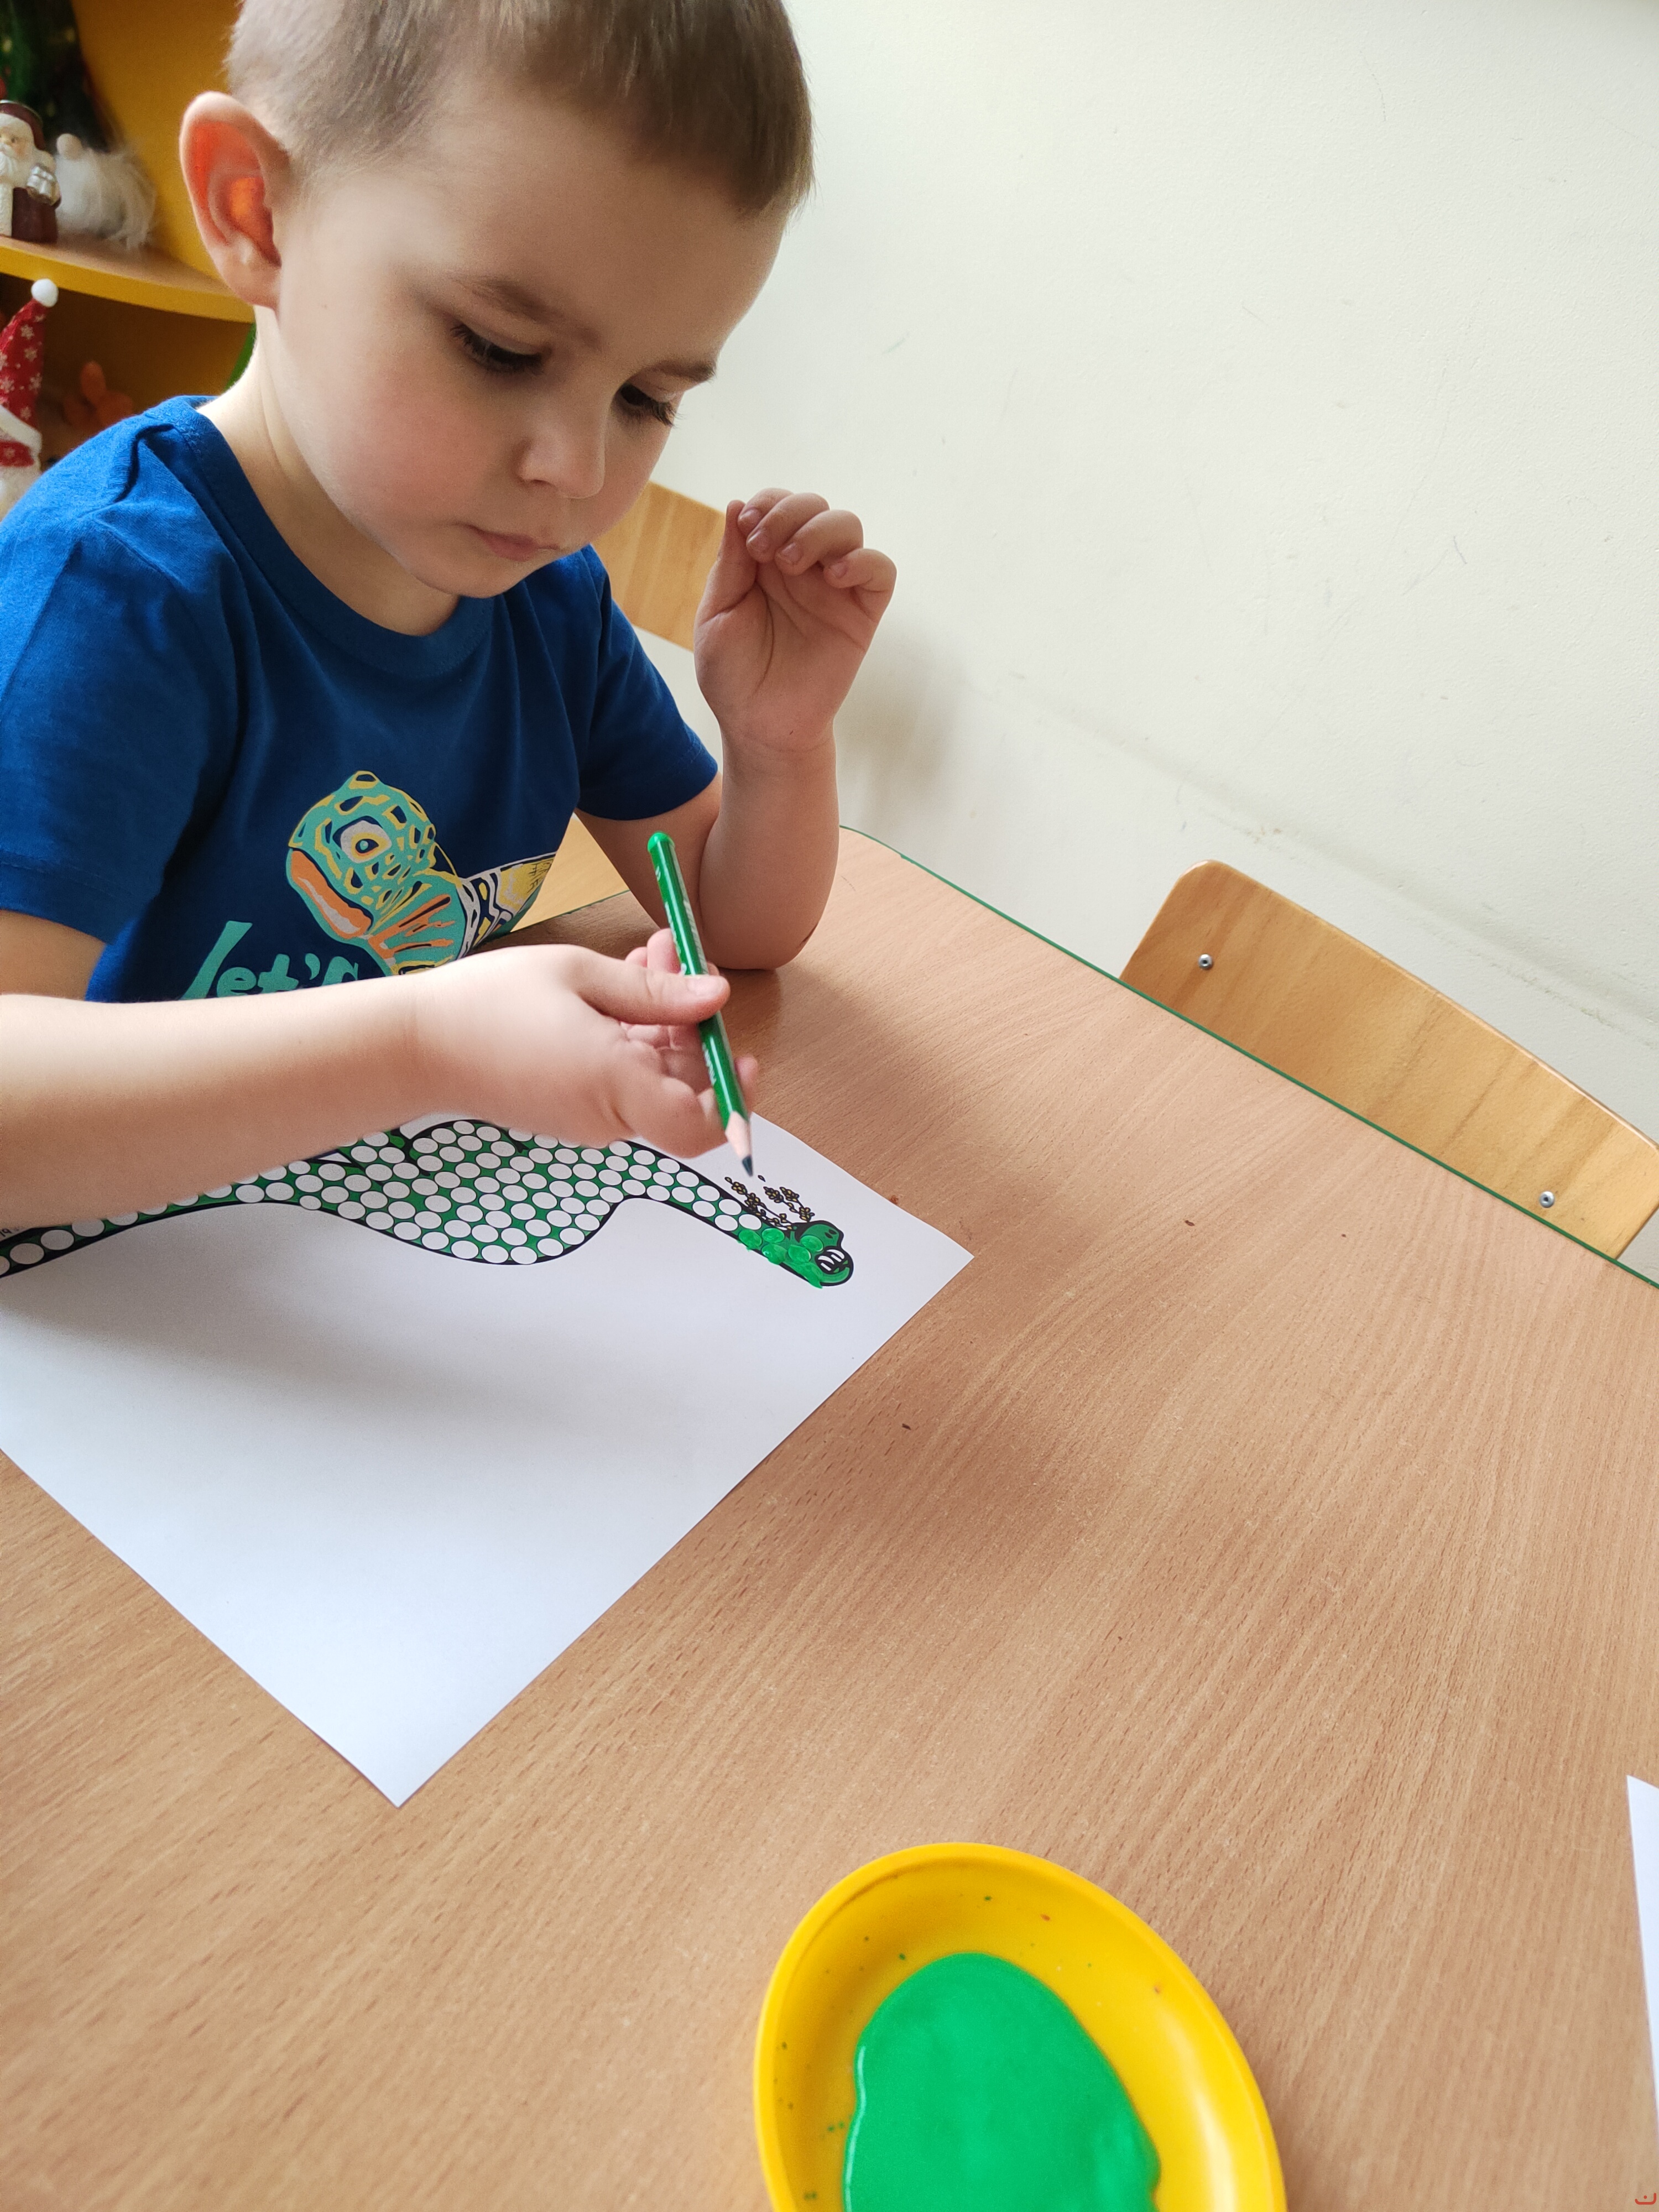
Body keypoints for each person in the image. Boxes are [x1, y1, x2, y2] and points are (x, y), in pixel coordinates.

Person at [0, 0, 894, 1233]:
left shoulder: (543, 602)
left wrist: (779, 744)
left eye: (647, 397)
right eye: (498, 347)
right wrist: (423, 1042)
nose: (577, 469)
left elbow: (733, 926)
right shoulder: (114, 596)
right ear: (256, 212)